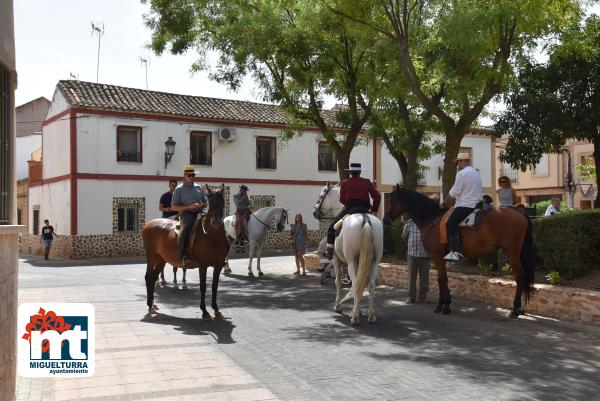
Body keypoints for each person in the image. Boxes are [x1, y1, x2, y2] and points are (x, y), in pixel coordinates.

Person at [326, 163, 381, 259]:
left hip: (350, 210)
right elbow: (377, 197)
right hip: (365, 209)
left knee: (331, 228)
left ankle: (329, 251)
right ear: (360, 172)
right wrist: (374, 210)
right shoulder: (367, 182)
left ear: (350, 172)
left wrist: (348, 204)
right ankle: (382, 250)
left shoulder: (345, 182)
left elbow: (342, 199)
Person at [442, 153, 483, 261]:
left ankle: (456, 251)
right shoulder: (476, 173)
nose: (457, 165)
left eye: (458, 162)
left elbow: (454, 192)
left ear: (464, 161)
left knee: (449, 223)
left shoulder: (462, 173)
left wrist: (444, 203)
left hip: (466, 205)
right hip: (477, 205)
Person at [171, 166, 208, 265]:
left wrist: (202, 204)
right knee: (185, 231)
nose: (192, 177)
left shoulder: (199, 187)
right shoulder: (179, 189)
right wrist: (189, 207)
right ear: (184, 176)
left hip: (200, 212)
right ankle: (182, 256)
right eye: (189, 175)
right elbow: (174, 207)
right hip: (187, 214)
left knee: (214, 225)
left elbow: (206, 203)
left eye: (193, 175)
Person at [402, 219, 430, 303]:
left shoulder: (428, 222)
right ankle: (411, 297)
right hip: (412, 254)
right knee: (411, 277)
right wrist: (410, 245)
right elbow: (404, 236)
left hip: (425, 255)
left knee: (424, 278)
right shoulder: (409, 223)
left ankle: (422, 298)